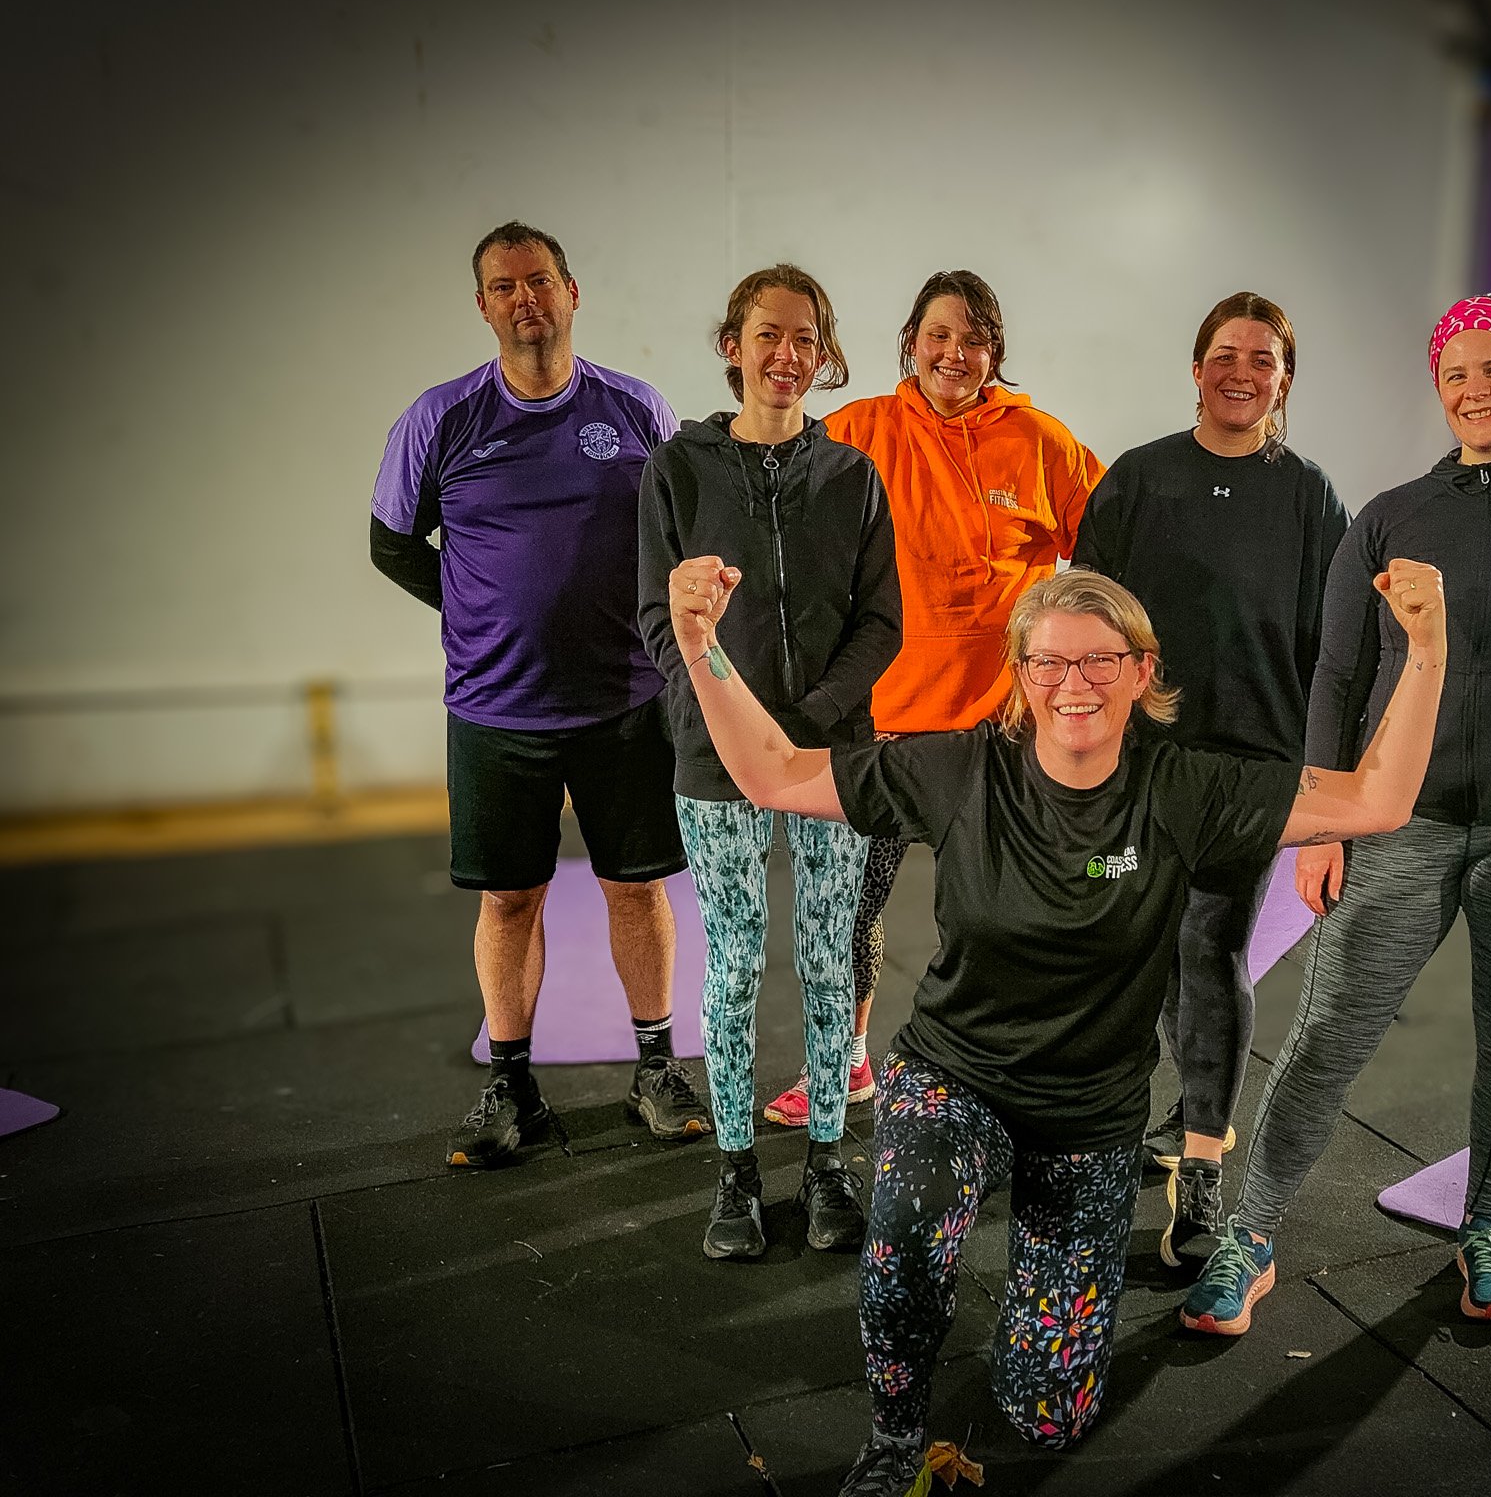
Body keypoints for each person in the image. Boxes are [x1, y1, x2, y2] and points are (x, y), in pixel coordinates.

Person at [662, 558, 1446, 1493]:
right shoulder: (958, 769)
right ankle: (895, 1434)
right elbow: (776, 774)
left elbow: (1378, 801)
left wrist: (1427, 647)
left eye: (1100, 661)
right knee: (908, 1232)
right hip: (957, 1076)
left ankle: (1040, 1374)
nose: (1075, 684)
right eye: (1049, 664)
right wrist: (701, 648)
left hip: (1092, 1114)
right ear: (1021, 676)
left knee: (1048, 1412)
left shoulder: (1185, 787)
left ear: (1143, 671)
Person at [1180, 292, 1491, 1336]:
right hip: (1398, 822)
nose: (1474, 389)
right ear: (1435, 388)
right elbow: (1337, 679)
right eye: (1454, 374)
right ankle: (1248, 1239)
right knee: (1326, 1036)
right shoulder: (1390, 518)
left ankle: (1485, 1227)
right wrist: (1323, 823)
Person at [370, 220, 706, 1169]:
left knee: (636, 890)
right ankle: (510, 1085)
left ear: (571, 292)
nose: (526, 298)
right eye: (505, 286)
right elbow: (392, 543)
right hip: (496, 710)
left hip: (627, 702)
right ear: (483, 306)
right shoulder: (439, 418)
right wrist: (473, 610)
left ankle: (655, 1068)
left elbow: (681, 532)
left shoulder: (637, 408)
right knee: (509, 902)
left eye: (541, 280)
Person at [759, 270, 1104, 1130]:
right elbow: (775, 525)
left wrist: (1078, 681)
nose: (957, 354)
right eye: (940, 335)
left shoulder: (1040, 442)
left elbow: (1106, 554)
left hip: (997, 734)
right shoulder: (856, 429)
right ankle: (843, 1064)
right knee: (851, 915)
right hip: (878, 729)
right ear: (912, 338)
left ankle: (1011, 1073)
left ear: (996, 351)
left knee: (1005, 919)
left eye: (976, 339)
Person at [1072, 292, 1348, 1268]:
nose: (1242, 371)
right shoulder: (1138, 482)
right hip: (1140, 765)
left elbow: (1333, 650)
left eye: (1262, 359)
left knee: (1208, 944)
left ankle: (1199, 1173)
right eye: (1225, 354)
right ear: (1196, 369)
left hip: (1251, 769)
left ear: (1282, 380)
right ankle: (1145, 1130)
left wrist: (1324, 791)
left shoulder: (1308, 497)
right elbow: (1082, 628)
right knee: (1141, 949)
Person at [637, 263, 901, 1261]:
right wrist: (725, 712)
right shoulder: (679, 469)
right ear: (732, 345)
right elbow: (657, 619)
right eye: (769, 336)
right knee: (737, 967)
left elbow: (883, 622)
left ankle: (828, 1163)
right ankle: (738, 1171)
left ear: (823, 357)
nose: (786, 356)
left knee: (832, 963)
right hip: (715, 765)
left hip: (832, 764)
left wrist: (815, 723)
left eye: (806, 340)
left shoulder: (852, 477)